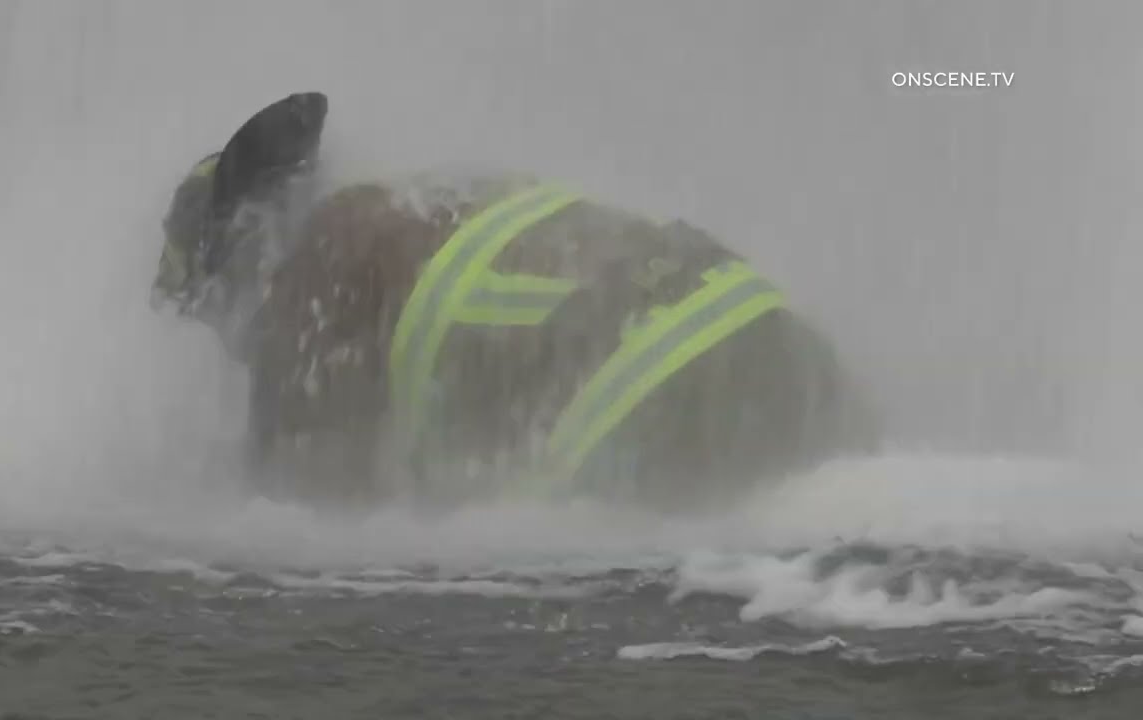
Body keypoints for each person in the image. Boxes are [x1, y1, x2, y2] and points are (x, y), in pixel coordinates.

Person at [150, 92, 879, 512]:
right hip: (784, 351)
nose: (237, 348)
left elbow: (308, 528)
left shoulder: (311, 283)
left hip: (650, 396)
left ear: (242, 254)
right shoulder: (439, 200)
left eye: (217, 320)